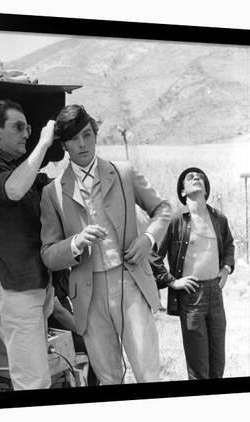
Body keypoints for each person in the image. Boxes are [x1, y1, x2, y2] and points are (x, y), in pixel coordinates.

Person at [40, 104, 171, 385]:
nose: (83, 143)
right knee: (109, 378)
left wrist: (148, 239)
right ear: (64, 145)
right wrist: (74, 243)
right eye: (74, 138)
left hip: (131, 281)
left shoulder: (123, 172)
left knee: (149, 374)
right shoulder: (52, 192)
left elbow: (163, 209)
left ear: (95, 135)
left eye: (87, 134)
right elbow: (48, 254)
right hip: (88, 296)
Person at [0, 100, 55, 390]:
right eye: (18, 126)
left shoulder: (20, 169)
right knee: (33, 381)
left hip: (34, 283)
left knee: (37, 375)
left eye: (29, 128)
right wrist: (43, 144)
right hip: (15, 285)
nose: (26, 134)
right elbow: (14, 189)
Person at [151, 167, 235, 380]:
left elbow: (229, 245)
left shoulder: (219, 218)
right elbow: (152, 256)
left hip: (215, 294)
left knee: (217, 364)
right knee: (199, 370)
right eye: (190, 177)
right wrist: (172, 281)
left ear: (206, 189)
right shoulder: (176, 220)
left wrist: (226, 268)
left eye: (200, 177)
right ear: (182, 192)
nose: (196, 177)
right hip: (191, 296)